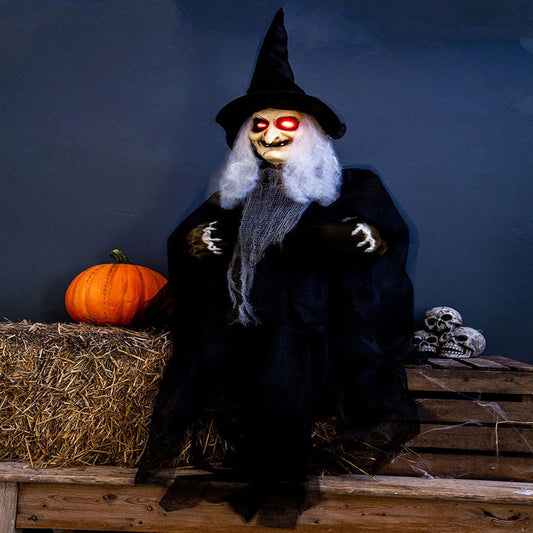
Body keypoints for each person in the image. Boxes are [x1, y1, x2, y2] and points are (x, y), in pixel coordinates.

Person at [137, 8, 418, 515]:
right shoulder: (235, 197)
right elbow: (189, 243)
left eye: (285, 123)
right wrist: (200, 244)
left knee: (287, 359)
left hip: (314, 333)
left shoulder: (352, 190)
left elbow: (380, 246)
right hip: (243, 332)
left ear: (308, 131)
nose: (270, 135)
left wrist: (354, 239)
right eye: (259, 125)